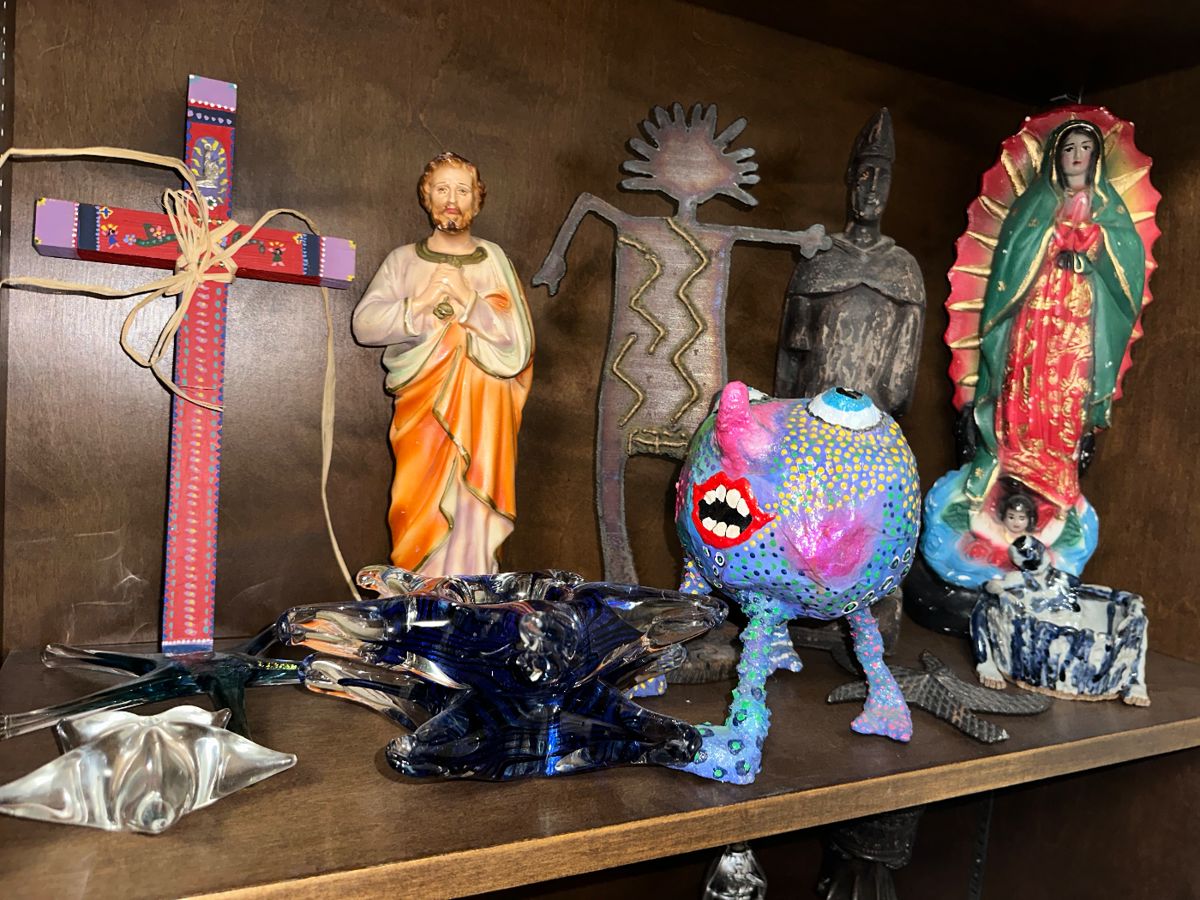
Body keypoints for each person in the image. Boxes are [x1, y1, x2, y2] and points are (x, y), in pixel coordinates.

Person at [353, 152, 534, 575]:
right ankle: (422, 584)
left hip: (484, 413)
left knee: (473, 501)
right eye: (442, 189)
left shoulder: (494, 260)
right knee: (419, 495)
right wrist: (418, 305)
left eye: (462, 190)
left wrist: (470, 303)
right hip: (424, 406)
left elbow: (519, 341)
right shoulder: (404, 260)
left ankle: (473, 580)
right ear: (427, 197)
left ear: (477, 200)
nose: (452, 200)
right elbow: (365, 324)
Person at [964, 120, 1145, 514]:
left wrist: (1096, 242)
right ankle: (1014, 463)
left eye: (1085, 147)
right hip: (1035, 309)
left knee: (1067, 386)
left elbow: (1128, 259)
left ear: (1096, 157)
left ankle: (1055, 474)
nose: (1077, 155)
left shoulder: (1108, 209)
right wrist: (1049, 239)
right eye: (1068, 148)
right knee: (1026, 378)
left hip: (1078, 314)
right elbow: (1014, 252)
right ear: (1055, 156)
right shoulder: (1035, 203)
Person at [775, 108, 925, 418]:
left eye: (883, 179)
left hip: (873, 422)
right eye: (866, 176)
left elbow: (903, 378)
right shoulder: (820, 258)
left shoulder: (903, 269)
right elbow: (789, 367)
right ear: (851, 179)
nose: (872, 190)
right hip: (809, 416)